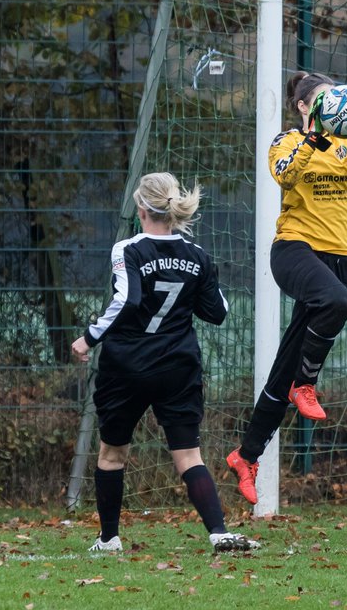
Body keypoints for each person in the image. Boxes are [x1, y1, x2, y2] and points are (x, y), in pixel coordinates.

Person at [226, 72, 347, 504]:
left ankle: (246, 456)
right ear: (304, 107)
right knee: (337, 302)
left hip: (338, 256)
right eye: (323, 100)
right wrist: (314, 139)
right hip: (295, 250)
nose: (334, 107)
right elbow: (285, 175)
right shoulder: (287, 142)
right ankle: (307, 382)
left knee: (282, 368)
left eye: (337, 100)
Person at [72, 172, 259, 554]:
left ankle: (108, 539)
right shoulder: (198, 255)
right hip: (177, 365)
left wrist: (89, 336)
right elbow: (219, 310)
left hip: (127, 365)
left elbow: (127, 301)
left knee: (112, 454)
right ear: (173, 209)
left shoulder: (129, 250)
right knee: (189, 455)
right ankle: (219, 532)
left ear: (141, 208)